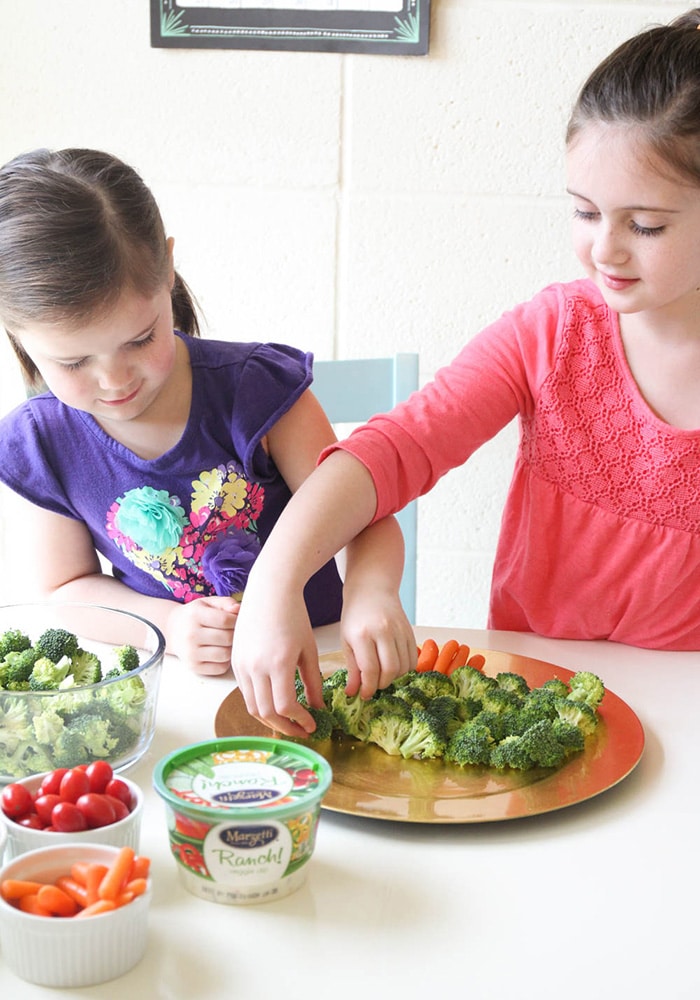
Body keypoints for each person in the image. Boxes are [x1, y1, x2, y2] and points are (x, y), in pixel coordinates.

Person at [231, 7, 700, 736]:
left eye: (645, 225)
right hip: (532, 707)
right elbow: (396, 448)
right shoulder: (550, 332)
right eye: (584, 212)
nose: (604, 250)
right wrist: (275, 580)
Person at [0, 147, 409, 677]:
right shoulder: (42, 442)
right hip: (184, 687)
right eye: (74, 361)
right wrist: (168, 626)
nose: (116, 380)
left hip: (324, 667)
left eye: (141, 339)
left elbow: (367, 517)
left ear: (168, 269)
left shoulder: (259, 393)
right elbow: (66, 587)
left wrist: (371, 592)